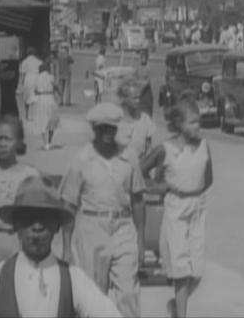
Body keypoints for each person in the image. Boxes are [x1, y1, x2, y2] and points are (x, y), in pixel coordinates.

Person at [0, 175, 123, 317]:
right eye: (28, 217)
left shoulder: (74, 279)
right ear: (15, 224)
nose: (37, 226)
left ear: (57, 226)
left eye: (45, 217)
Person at [59, 102, 146, 318]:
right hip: (91, 229)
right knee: (93, 295)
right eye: (101, 129)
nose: (107, 134)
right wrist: (67, 247)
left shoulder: (129, 157)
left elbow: (137, 200)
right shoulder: (81, 159)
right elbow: (69, 205)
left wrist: (141, 240)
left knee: (128, 292)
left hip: (123, 228)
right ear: (94, 130)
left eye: (111, 128)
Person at [141, 96, 213, 318]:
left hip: (198, 208)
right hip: (175, 209)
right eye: (192, 122)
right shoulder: (164, 149)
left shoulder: (203, 147)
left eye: (198, 121)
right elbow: (140, 171)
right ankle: (181, 315)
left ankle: (176, 305)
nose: (197, 126)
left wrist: (195, 192)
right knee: (181, 268)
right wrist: (159, 187)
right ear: (179, 124)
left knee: (197, 271)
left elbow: (208, 179)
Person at [0, 115, 40, 269]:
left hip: (19, 243)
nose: (2, 144)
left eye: (7, 139)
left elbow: (41, 218)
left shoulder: (30, 175)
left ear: (19, 142)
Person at [116, 80, 156, 166]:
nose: (138, 101)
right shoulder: (115, 121)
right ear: (124, 99)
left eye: (139, 97)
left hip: (140, 168)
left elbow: (148, 148)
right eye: (134, 98)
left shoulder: (145, 119)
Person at [31, 60, 61, 151]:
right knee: (51, 121)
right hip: (50, 98)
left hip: (41, 98)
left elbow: (35, 90)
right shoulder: (51, 77)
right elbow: (56, 87)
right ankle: (50, 141)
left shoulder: (36, 78)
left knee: (41, 121)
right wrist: (58, 93)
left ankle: (45, 143)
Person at [19, 47, 42, 120]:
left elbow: (22, 74)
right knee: (36, 97)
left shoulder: (24, 62)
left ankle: (27, 115)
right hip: (36, 78)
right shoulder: (39, 61)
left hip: (27, 79)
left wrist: (22, 83)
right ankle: (35, 115)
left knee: (26, 98)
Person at [134, 50, 154, 117]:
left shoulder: (149, 67)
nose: (143, 59)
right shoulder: (138, 66)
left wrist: (141, 88)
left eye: (144, 58)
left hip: (146, 91)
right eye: (142, 58)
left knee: (147, 110)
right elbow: (135, 76)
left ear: (147, 59)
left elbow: (148, 80)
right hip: (139, 90)